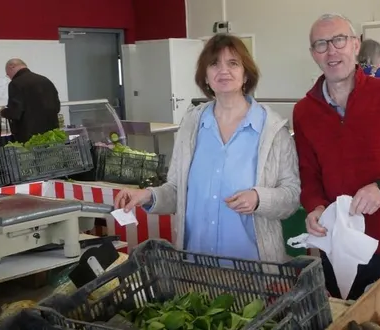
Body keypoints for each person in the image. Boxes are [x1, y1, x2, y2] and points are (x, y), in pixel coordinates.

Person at [113, 34, 300, 263]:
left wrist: (259, 199)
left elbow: (291, 197)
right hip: (196, 265)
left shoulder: (273, 130)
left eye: (233, 63)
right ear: (206, 77)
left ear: (245, 74)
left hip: (253, 269)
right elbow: (177, 191)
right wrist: (147, 196)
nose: (223, 70)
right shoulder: (192, 125)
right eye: (214, 64)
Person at [293, 13, 380, 303]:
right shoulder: (304, 111)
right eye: (321, 44)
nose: (331, 50)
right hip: (336, 246)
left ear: (355, 45)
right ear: (313, 54)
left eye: (339, 40)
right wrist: (315, 207)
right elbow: (309, 176)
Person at [0, 58, 61, 143]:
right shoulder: (45, 80)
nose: (8, 76)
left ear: (12, 67)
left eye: (7, 74)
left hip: (30, 137)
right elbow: (57, 107)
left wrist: (3, 112)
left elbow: (15, 113)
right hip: (52, 134)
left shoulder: (15, 83)